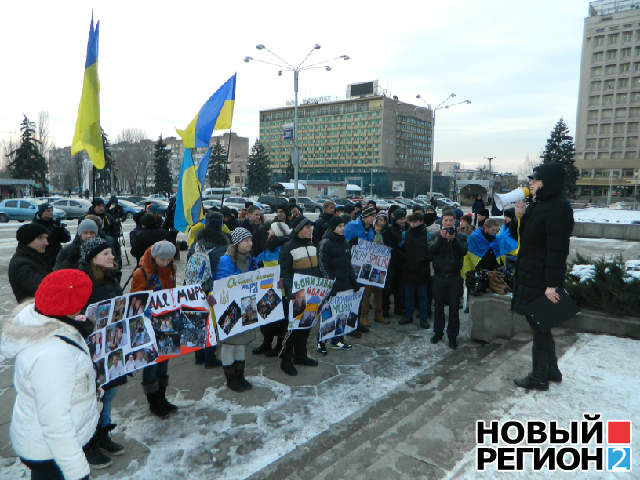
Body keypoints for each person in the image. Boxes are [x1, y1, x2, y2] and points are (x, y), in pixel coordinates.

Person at [1, 269, 98, 480]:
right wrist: (77, 472)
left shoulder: (47, 322)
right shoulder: (52, 354)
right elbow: (55, 422)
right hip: (50, 451)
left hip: (45, 443)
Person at [512, 163, 574, 391]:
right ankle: (552, 370)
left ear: (547, 182)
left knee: (539, 327)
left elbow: (557, 250)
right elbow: (529, 239)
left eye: (536, 179)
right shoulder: (542, 204)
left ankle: (539, 377)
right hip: (531, 274)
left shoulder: (558, 208)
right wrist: (521, 216)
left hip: (541, 279)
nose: (531, 182)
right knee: (541, 326)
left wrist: (552, 285)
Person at [77, 237, 125, 465]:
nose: (112, 256)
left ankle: (103, 434)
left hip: (111, 345)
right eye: (106, 253)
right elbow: (76, 316)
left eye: (111, 252)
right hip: (90, 348)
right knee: (92, 397)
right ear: (92, 259)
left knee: (110, 393)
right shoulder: (81, 283)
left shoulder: (111, 277)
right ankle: (88, 443)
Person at [131, 240, 178, 415]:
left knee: (164, 360)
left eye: (168, 259)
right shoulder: (141, 272)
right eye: (162, 259)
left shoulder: (172, 268)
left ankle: (162, 397)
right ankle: (154, 403)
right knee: (151, 363)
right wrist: (146, 309)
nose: (165, 262)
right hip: (149, 323)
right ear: (154, 256)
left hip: (167, 321)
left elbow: (172, 290)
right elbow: (135, 299)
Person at [213, 228, 259, 391]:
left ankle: (240, 376)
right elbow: (221, 283)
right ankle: (231, 379)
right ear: (237, 243)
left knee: (242, 343)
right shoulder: (225, 260)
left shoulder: (252, 260)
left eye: (250, 240)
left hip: (247, 306)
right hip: (230, 309)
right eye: (246, 241)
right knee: (229, 344)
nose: (249, 244)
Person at [187, 211, 229, 368]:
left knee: (199, 321)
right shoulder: (223, 246)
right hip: (212, 288)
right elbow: (222, 269)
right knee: (211, 323)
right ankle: (210, 358)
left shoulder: (196, 244)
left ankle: (199, 355)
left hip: (194, 288)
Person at [279, 217, 320, 376]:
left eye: (311, 227)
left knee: (306, 326)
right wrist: (291, 292)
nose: (310, 230)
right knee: (291, 329)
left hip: (312, 293)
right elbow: (285, 273)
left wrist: (323, 284)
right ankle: (286, 360)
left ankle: (301, 356)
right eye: (306, 227)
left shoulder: (312, 245)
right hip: (297, 295)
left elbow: (318, 268)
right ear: (297, 229)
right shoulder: (288, 248)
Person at [317, 215, 359, 354]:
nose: (342, 229)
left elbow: (349, 265)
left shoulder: (345, 242)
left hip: (345, 284)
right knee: (328, 316)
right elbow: (322, 265)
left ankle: (337, 341)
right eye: (339, 226)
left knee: (341, 315)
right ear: (333, 228)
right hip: (332, 286)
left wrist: (354, 282)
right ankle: (321, 342)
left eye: (343, 226)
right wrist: (330, 284)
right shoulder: (326, 243)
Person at [428, 209, 468, 349]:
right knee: (438, 307)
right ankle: (438, 333)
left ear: (455, 221)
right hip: (439, 276)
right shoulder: (435, 235)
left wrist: (453, 240)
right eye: (446, 220)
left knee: (454, 309)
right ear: (442, 221)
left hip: (454, 278)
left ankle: (452, 336)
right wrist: (441, 238)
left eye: (451, 220)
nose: (448, 223)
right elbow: (430, 251)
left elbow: (463, 251)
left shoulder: (461, 236)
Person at [254, 222, 291, 357]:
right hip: (267, 289)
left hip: (282, 292)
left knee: (281, 320)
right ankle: (266, 343)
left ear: (277, 233)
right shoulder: (270, 246)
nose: (268, 231)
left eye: (271, 230)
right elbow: (260, 260)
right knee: (266, 318)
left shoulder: (285, 248)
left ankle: (279, 345)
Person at [344, 206, 376, 332]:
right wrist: (352, 243)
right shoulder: (352, 226)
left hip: (364, 265)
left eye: (374, 216)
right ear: (364, 216)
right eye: (371, 216)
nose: (373, 219)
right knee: (352, 295)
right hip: (351, 265)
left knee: (360, 295)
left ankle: (356, 322)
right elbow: (344, 242)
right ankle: (349, 325)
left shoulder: (369, 228)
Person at [400, 212, 430, 328]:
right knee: (409, 295)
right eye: (411, 222)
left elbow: (430, 251)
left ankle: (423, 318)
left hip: (422, 270)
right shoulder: (406, 234)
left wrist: (424, 259)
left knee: (422, 296)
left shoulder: (427, 235)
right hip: (408, 270)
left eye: (415, 221)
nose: (412, 224)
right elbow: (401, 249)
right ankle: (408, 316)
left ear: (421, 222)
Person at [9, 224, 51, 303]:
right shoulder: (22, 264)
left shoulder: (36, 257)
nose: (46, 243)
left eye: (46, 238)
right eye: (40, 238)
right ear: (28, 240)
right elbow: (44, 287)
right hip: (33, 310)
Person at [32, 203, 71, 269]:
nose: (51, 213)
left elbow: (67, 238)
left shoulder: (54, 223)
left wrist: (60, 229)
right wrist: (56, 231)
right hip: (43, 258)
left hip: (57, 256)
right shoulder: (35, 225)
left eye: (52, 210)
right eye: (48, 211)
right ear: (41, 212)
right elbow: (46, 242)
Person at [387, 208, 407, 317]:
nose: (404, 221)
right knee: (389, 287)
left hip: (401, 263)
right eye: (401, 219)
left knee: (400, 288)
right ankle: (385, 310)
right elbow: (393, 247)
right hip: (392, 263)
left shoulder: (402, 228)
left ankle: (399, 308)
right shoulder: (391, 230)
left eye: (404, 218)